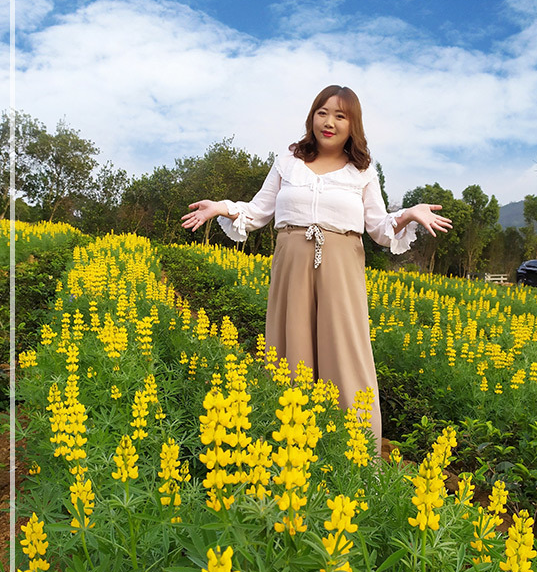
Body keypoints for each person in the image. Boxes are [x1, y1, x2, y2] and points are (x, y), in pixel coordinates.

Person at [181, 85, 452, 455]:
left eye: (340, 116)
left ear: (353, 124)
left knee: (345, 351)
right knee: (289, 350)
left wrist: (409, 213)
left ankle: (356, 453)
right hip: (291, 264)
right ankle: (290, 448)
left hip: (341, 266)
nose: (329, 122)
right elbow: (258, 211)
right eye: (323, 112)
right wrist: (222, 207)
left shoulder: (362, 172)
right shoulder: (288, 161)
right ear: (312, 116)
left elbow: (379, 228)